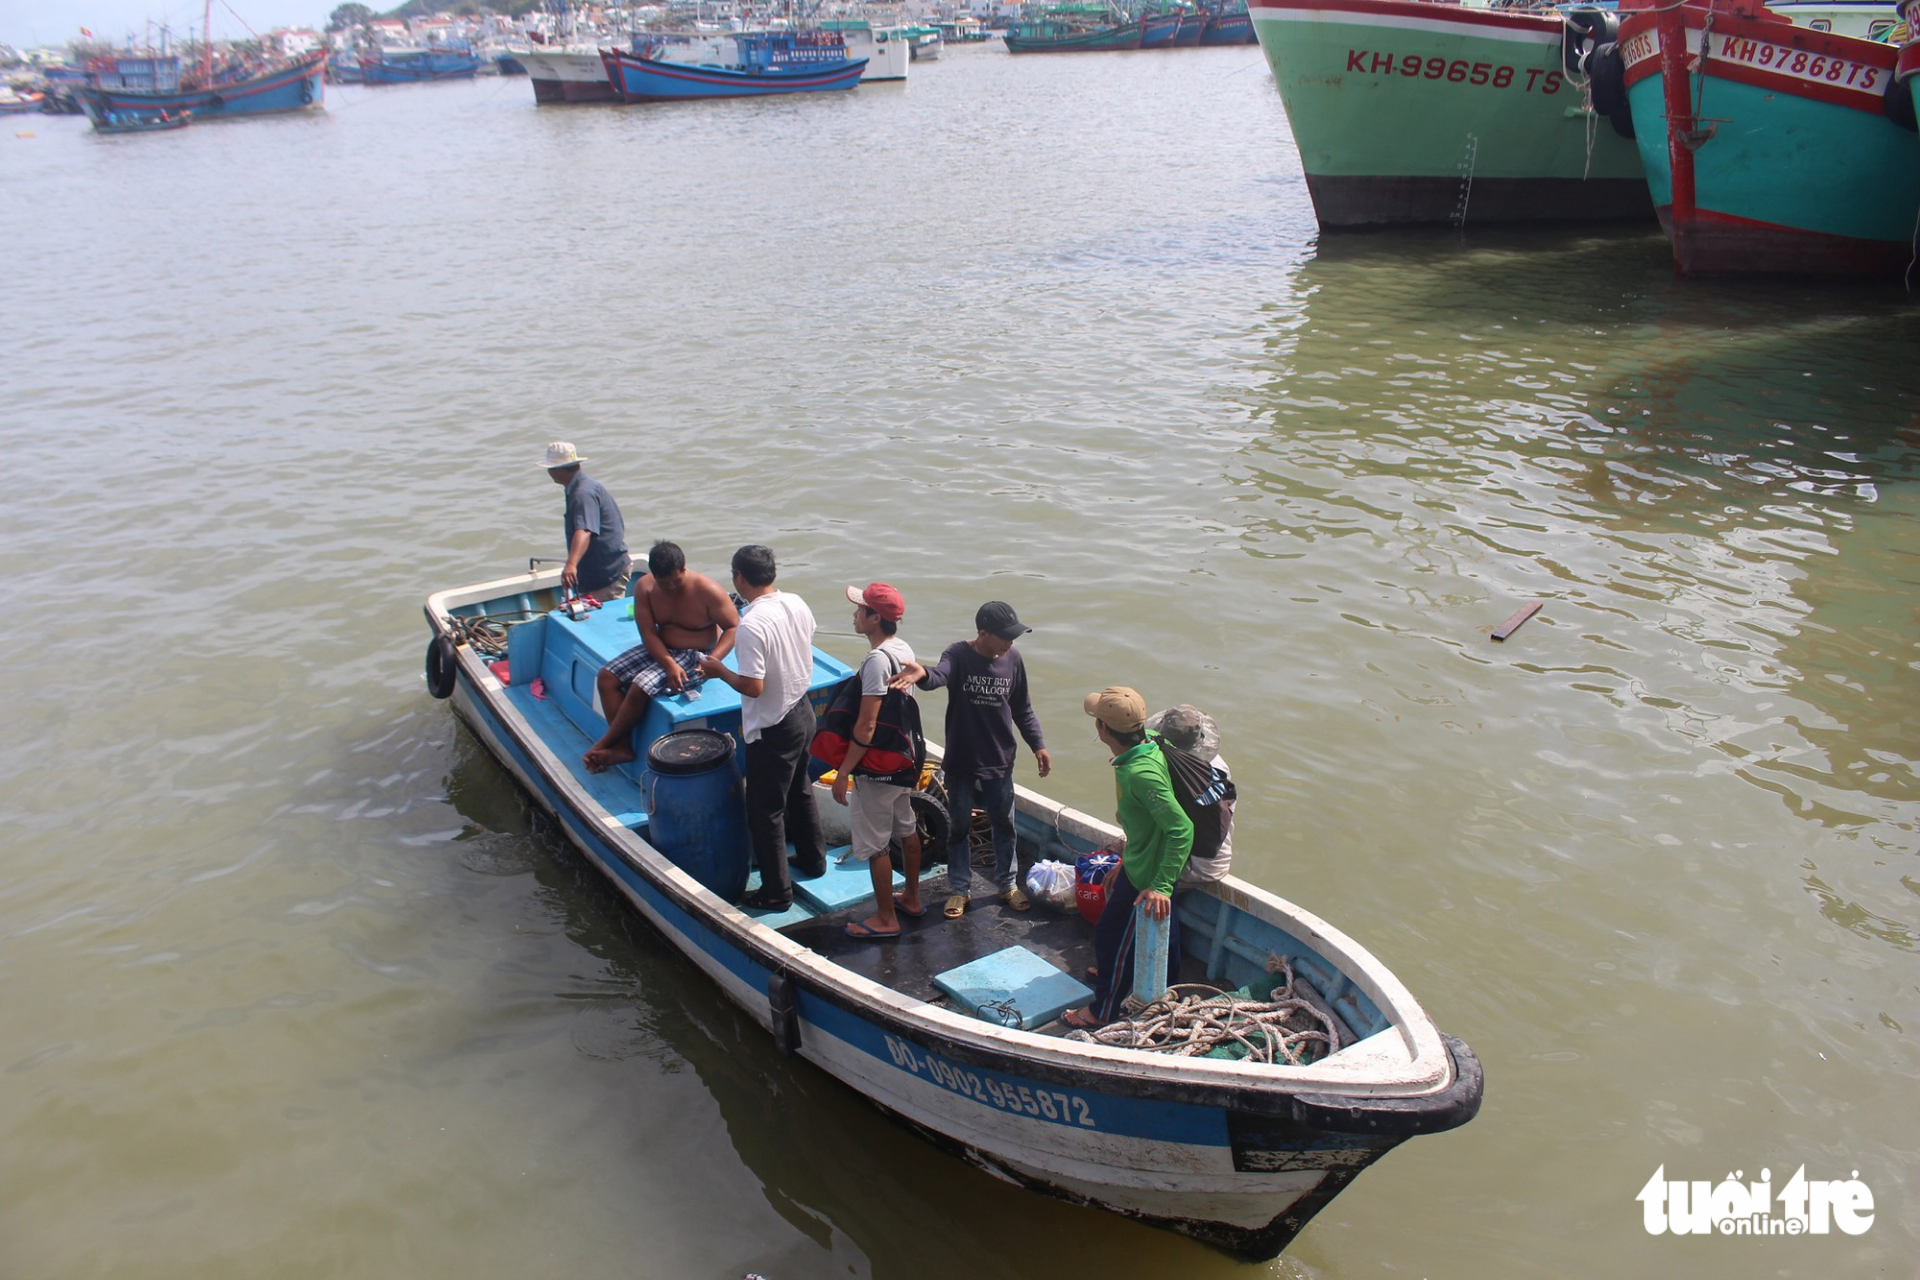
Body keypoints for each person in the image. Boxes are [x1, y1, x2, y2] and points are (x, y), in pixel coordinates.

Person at [890, 601, 1051, 919]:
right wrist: (922, 673)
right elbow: (939, 675)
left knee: (1005, 825)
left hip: (1000, 760)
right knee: (959, 827)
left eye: (1013, 637)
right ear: (983, 634)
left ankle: (1007, 883)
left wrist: (1039, 745)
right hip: (962, 761)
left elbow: (1022, 708)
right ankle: (959, 888)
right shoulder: (959, 654)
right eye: (1004, 637)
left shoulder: (1014, 659)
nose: (1010, 643)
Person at [697, 546, 825, 911]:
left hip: (774, 724)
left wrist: (718, 669)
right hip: (802, 710)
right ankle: (814, 860)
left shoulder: (752, 625)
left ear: (739, 578)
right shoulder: (796, 602)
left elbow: (753, 687)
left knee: (765, 811)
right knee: (800, 788)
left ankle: (776, 893)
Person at [1063, 686, 1193, 1030]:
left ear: (1104, 730)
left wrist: (1161, 886)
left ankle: (1103, 1009)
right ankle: (1168, 987)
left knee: (1111, 937)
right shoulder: (1149, 741)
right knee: (1168, 928)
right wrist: (1124, 860)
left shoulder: (1141, 773)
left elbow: (1182, 829)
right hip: (1140, 860)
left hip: (1149, 875)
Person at [582, 541, 739, 773]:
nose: (672, 587)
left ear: (684, 569)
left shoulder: (708, 590)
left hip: (697, 655)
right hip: (660, 647)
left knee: (641, 685)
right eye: (665, 584)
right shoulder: (645, 588)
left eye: (677, 580)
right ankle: (622, 746)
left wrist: (712, 662)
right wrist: (667, 663)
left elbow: (733, 627)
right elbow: (647, 632)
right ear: (654, 576)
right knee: (606, 677)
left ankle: (603, 743)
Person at [833, 583, 924, 939]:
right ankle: (912, 898)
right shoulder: (902, 649)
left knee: (875, 844)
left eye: (860, 610)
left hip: (877, 768)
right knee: (906, 826)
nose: (854, 614)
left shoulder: (875, 662)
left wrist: (843, 772)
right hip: (904, 761)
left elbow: (867, 724)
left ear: (875, 619)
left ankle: (886, 918)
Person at [1147, 704, 1234, 886]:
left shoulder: (1171, 772)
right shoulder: (1219, 767)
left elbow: (1171, 831)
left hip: (1194, 866)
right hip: (1217, 859)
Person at [541, 441, 631, 600]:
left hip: (607, 575)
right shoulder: (579, 487)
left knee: (601, 621)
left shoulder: (582, 493)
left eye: (550, 468)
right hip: (600, 570)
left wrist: (571, 564)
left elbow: (584, 530)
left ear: (558, 470)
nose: (549, 472)